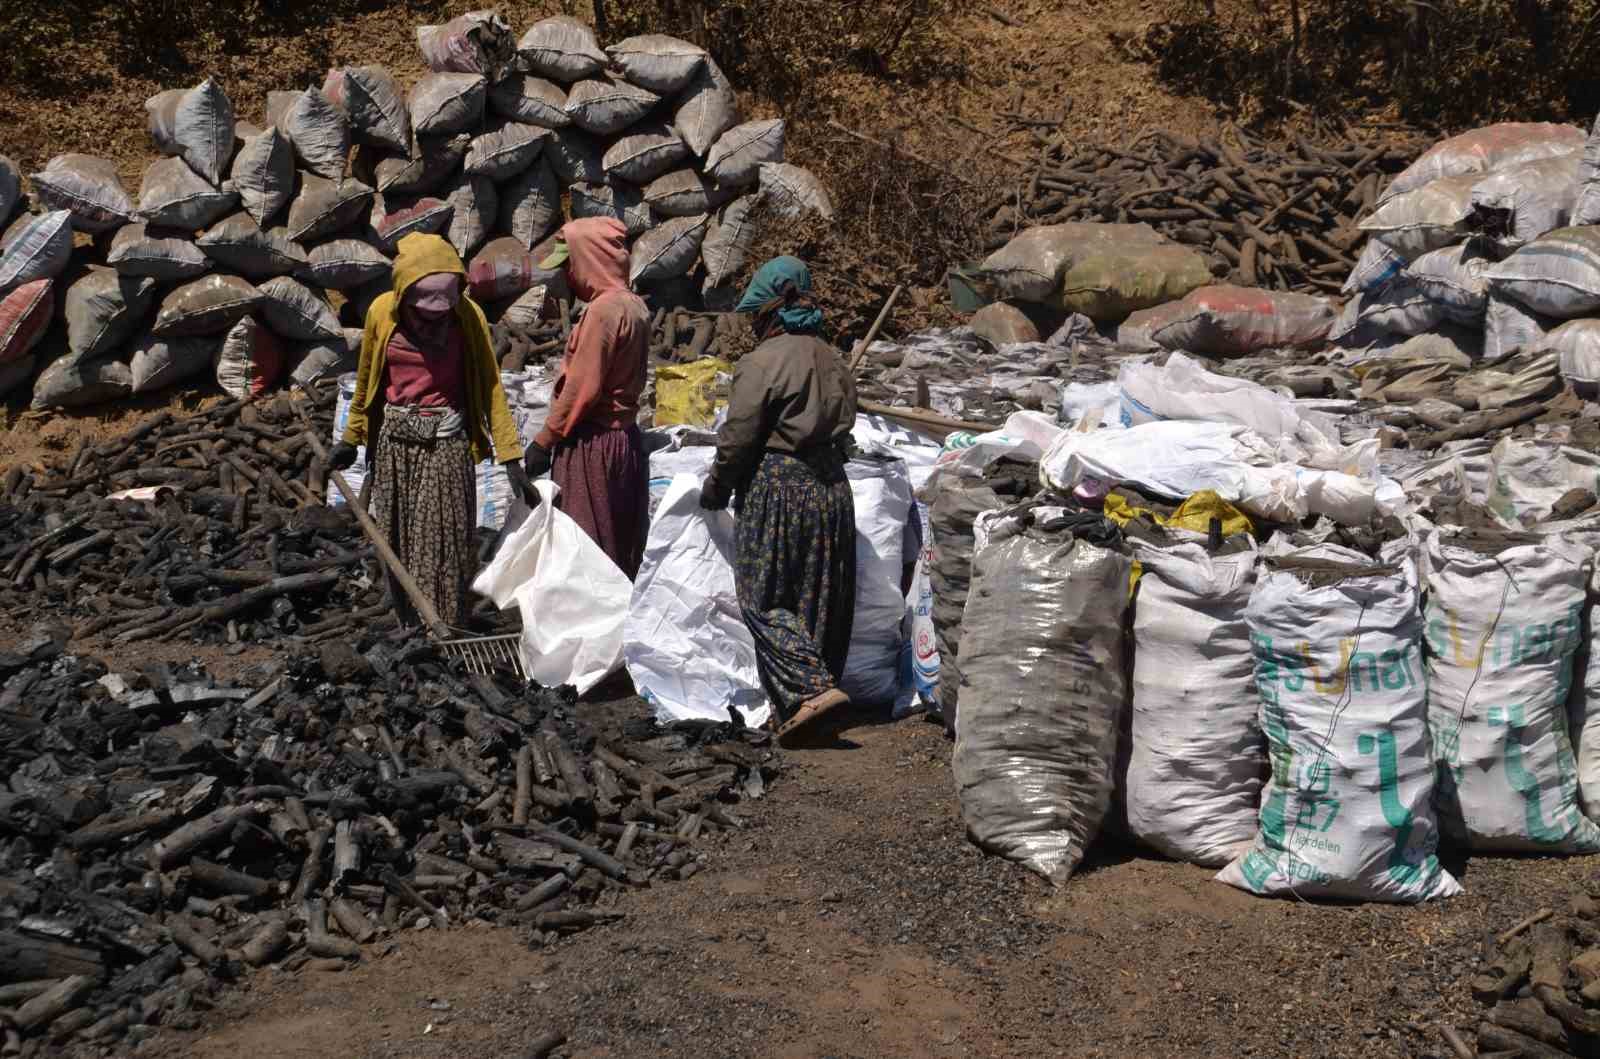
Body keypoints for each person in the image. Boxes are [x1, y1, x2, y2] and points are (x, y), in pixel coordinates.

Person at [329, 232, 532, 628]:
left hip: (446, 444)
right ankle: (412, 627)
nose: (436, 316)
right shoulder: (381, 314)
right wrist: (351, 439)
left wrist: (510, 456)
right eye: (426, 309)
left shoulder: (467, 316)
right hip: (395, 447)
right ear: (403, 296)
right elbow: (368, 378)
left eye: (444, 308)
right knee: (399, 539)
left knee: (444, 542)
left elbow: (490, 384)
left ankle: (446, 625)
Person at [700, 256, 858, 740]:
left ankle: (810, 690)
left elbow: (740, 436)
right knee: (818, 595)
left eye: (754, 315)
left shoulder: (761, 362)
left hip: (780, 486)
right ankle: (804, 705)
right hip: (832, 488)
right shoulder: (833, 357)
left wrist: (717, 486)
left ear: (771, 311)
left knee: (763, 596)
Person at [522, 217, 650, 578]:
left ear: (589, 259)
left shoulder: (603, 312)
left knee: (583, 545)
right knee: (613, 541)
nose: (566, 274)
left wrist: (545, 441)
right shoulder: (633, 305)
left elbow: (583, 388)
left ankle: (586, 627)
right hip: (621, 439)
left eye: (569, 264)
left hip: (592, 445)